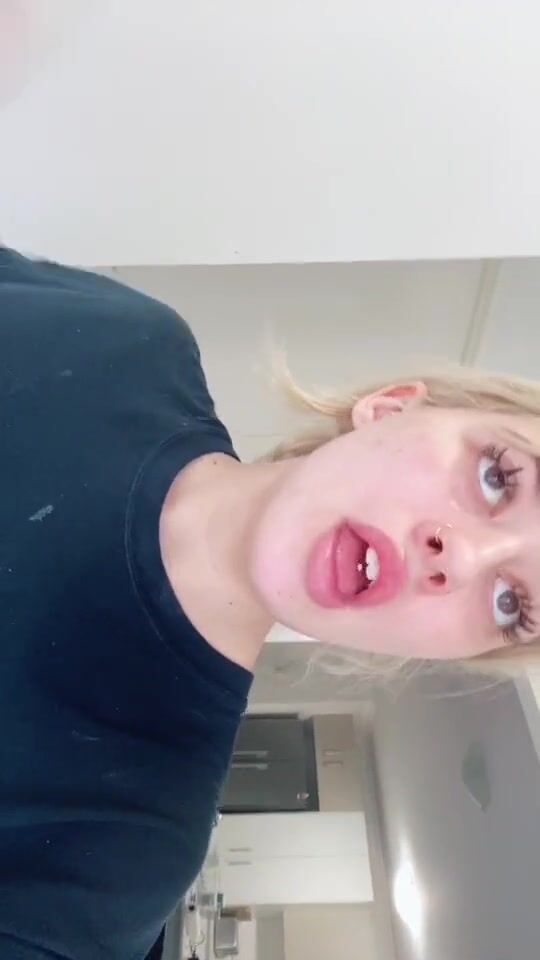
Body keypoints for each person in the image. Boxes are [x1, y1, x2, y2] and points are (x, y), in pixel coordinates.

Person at [0, 247, 538, 959]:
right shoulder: (127, 339)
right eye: (499, 476)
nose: (460, 559)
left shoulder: (126, 842)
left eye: (511, 605)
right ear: (391, 408)